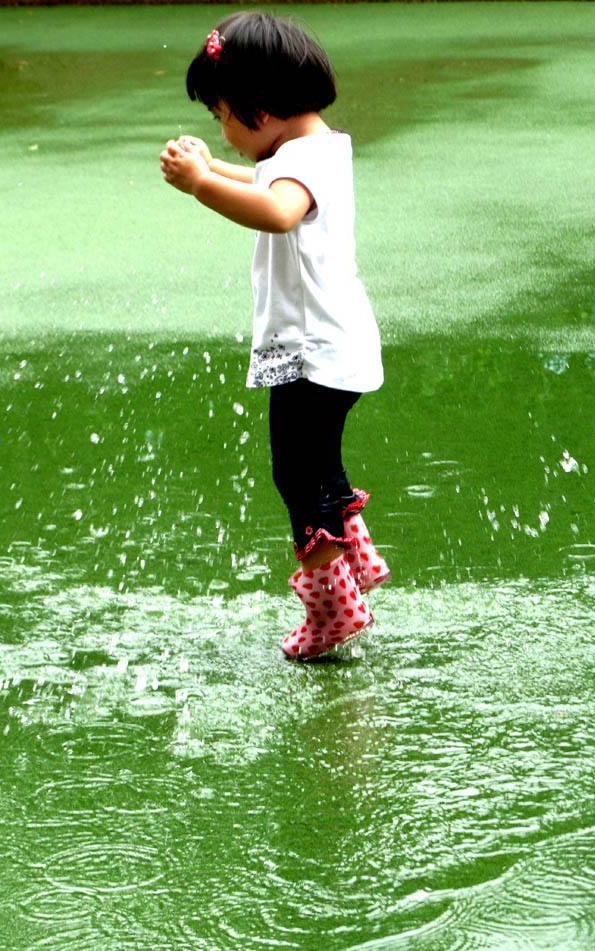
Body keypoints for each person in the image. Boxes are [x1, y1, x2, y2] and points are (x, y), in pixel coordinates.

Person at [160, 11, 390, 660]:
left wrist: (202, 183)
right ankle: (354, 563)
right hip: (325, 344)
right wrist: (211, 170)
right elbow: (265, 184)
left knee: (295, 474)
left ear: (258, 112)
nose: (224, 134)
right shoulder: (311, 149)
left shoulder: (300, 166)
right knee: (316, 465)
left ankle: (330, 609)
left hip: (314, 352)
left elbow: (278, 210)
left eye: (222, 118)